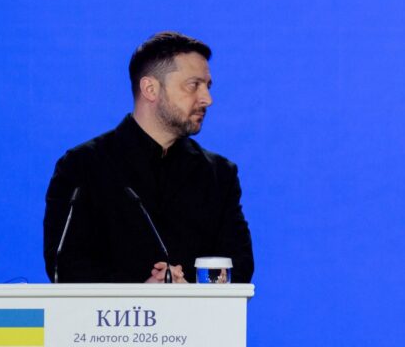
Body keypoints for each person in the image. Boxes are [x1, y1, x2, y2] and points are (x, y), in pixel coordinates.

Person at [44, 31, 254, 283]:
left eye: (207, 86)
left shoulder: (219, 174)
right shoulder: (83, 166)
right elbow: (65, 265)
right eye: (193, 85)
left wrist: (189, 289)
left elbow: (239, 265)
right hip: (109, 321)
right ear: (150, 89)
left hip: (196, 321)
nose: (207, 99)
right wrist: (141, 292)